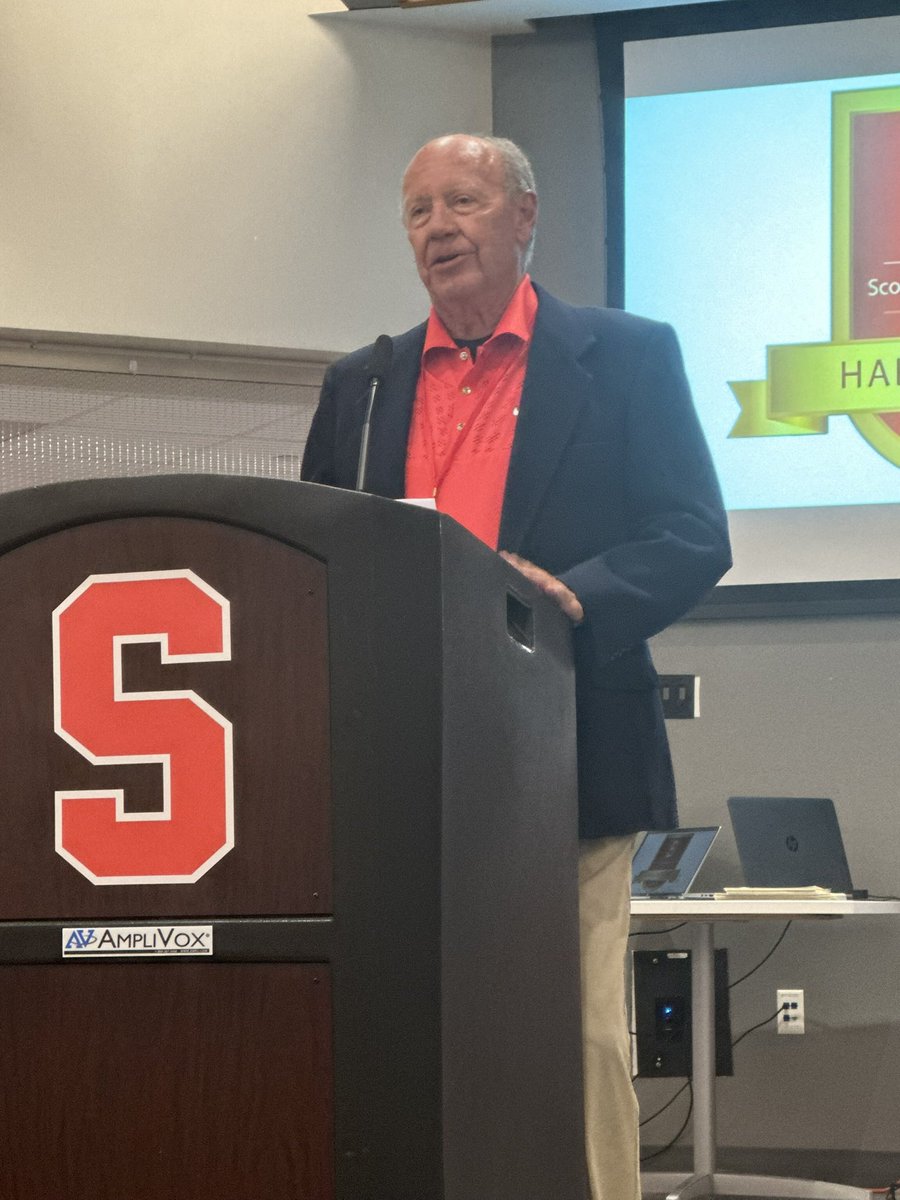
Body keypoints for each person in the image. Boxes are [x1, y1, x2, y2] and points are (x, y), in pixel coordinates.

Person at [301, 133, 731, 1200]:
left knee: (578, 1031)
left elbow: (690, 534)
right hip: (401, 764)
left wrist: (580, 598)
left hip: (567, 745)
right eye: (417, 212)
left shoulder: (627, 355)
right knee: (406, 1029)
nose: (438, 227)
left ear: (525, 218)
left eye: (464, 201)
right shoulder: (362, 386)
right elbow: (315, 556)